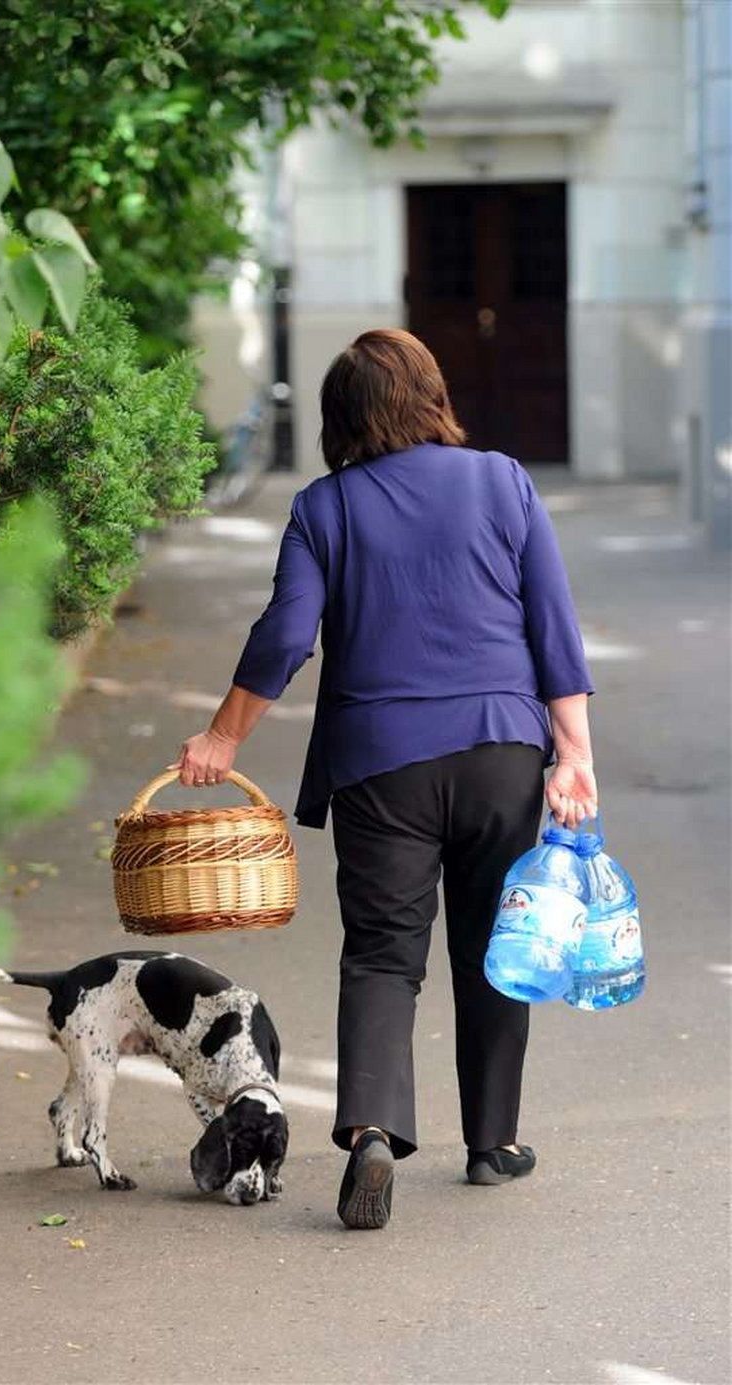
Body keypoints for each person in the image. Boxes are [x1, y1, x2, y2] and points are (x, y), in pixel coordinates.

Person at [177, 329, 598, 1230]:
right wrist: (576, 753)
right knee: (495, 945)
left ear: (341, 419)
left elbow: (287, 637)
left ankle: (373, 1126)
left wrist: (222, 735)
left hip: (382, 762)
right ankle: (492, 1145)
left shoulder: (324, 509)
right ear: (432, 395)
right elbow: (552, 626)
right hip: (501, 751)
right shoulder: (503, 480)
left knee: (380, 955)